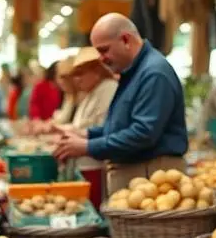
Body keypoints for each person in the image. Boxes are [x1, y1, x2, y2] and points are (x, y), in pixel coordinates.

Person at [53, 14, 188, 193]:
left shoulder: (154, 74)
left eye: (104, 50)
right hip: (141, 175)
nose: (102, 59)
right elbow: (122, 126)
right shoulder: (134, 73)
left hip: (152, 177)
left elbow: (143, 134)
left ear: (125, 40)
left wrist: (87, 146)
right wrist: (86, 134)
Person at [53, 47, 118, 207]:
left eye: (81, 73)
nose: (77, 80)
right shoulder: (92, 92)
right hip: (85, 164)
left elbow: (105, 129)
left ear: (96, 71)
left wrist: (76, 135)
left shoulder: (108, 88)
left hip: (95, 164)